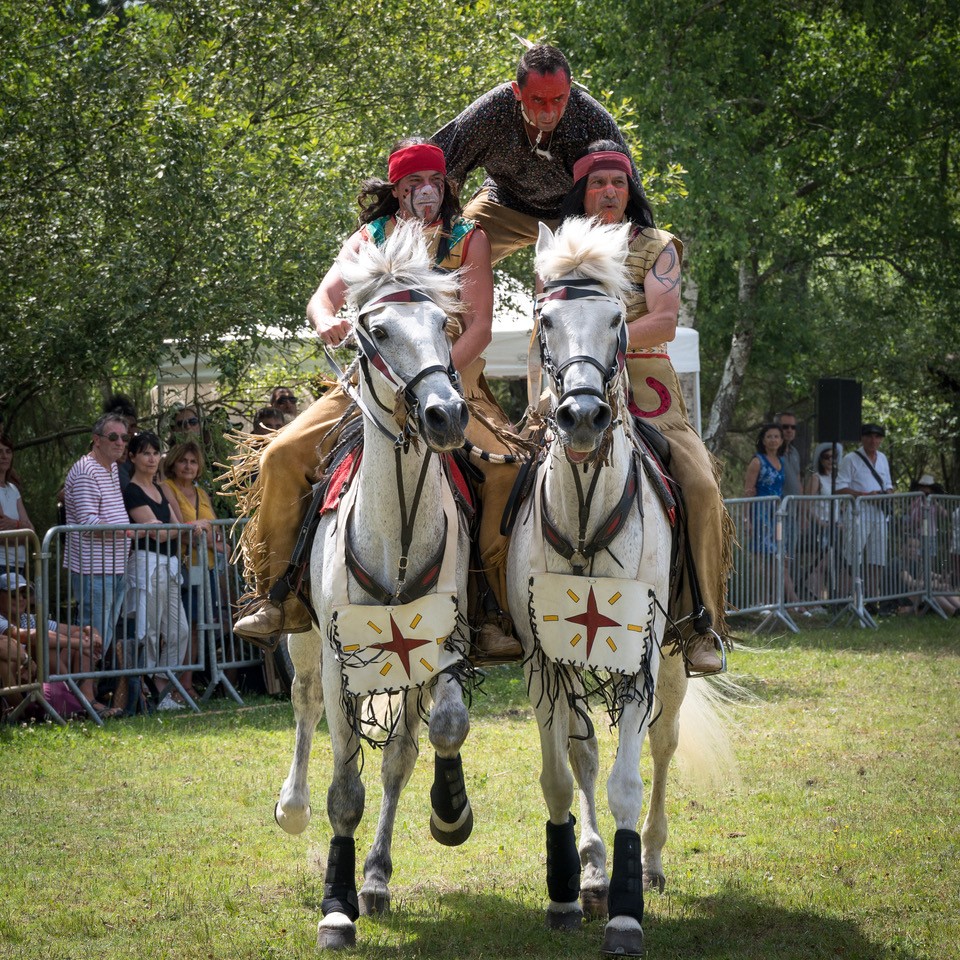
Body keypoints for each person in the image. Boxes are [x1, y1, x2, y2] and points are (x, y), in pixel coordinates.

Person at [233, 139, 520, 660]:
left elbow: (479, 325)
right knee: (280, 455)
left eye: (433, 182)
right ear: (396, 191)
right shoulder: (369, 237)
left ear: (447, 187)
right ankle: (279, 597)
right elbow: (322, 298)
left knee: (505, 471)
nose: (424, 193)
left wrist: (431, 376)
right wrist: (328, 322)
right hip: (372, 382)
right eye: (412, 185)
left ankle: (491, 610)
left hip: (454, 385)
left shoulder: (467, 239)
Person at [556, 141, 731, 674]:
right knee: (503, 475)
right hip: (571, 380)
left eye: (618, 182)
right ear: (582, 193)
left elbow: (664, 320)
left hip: (643, 378)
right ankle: (501, 611)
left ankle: (704, 623)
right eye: (597, 183)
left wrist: (603, 339)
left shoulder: (657, 246)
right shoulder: (559, 247)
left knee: (699, 484)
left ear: (630, 190)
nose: (609, 191)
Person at [433, 44, 637, 265]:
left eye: (558, 99)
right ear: (517, 91)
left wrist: (642, 245)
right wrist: (432, 225)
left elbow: (630, 184)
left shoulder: (590, 117)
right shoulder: (494, 110)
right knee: (450, 257)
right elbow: (438, 161)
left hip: (575, 215)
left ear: (569, 89)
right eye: (538, 100)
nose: (549, 112)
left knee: (625, 266)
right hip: (502, 204)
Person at [123, 432, 191, 711]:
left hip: (169, 566)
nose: (152, 458)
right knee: (148, 632)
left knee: (181, 631)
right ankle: (149, 691)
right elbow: (156, 532)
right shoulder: (131, 490)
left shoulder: (162, 489)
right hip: (146, 565)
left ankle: (163, 683)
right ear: (133, 457)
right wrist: (170, 531)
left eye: (155, 453)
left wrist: (171, 530)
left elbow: (176, 526)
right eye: (146, 453)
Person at [0, 571, 119, 718]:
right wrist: (80, 644)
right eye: (13, 594)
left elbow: (74, 630)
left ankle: (87, 698)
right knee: (46, 644)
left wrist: (91, 632)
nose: (21, 598)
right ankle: (77, 701)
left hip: (37, 677)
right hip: (20, 679)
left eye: (25, 594)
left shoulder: (29, 618)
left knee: (79, 635)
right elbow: (30, 635)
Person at [63, 414, 132, 660]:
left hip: (113, 566)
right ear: (96, 440)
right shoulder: (86, 471)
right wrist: (128, 529)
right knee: (91, 634)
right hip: (93, 570)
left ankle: (89, 690)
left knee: (104, 634)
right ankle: (84, 694)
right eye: (113, 436)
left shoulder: (112, 467)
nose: (120, 442)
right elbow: (88, 523)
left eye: (124, 437)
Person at [162, 439, 223, 701]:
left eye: (193, 461)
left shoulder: (202, 494)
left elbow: (216, 528)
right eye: (183, 460)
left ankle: (187, 684)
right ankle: (172, 684)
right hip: (183, 565)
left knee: (199, 625)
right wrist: (214, 542)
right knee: (182, 626)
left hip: (206, 566)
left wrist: (206, 534)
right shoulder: (167, 488)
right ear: (173, 463)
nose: (188, 466)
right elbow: (180, 530)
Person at [744, 423, 803, 612]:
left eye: (776, 436)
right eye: (769, 436)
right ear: (763, 440)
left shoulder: (782, 461)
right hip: (760, 514)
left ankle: (777, 600)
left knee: (777, 559)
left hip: (777, 515)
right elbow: (748, 491)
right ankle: (759, 601)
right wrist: (747, 518)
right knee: (762, 559)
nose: (773, 440)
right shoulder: (757, 461)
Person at [835, 423, 894, 608]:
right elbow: (839, 488)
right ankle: (843, 599)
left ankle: (870, 601)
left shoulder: (882, 458)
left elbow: (888, 484)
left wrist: (888, 493)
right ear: (862, 438)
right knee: (851, 557)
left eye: (877, 437)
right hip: (858, 514)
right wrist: (866, 496)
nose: (873, 440)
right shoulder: (850, 459)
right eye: (869, 436)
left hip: (880, 515)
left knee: (877, 559)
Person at [800, 442, 844, 606]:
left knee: (832, 564)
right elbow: (807, 504)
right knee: (819, 565)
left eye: (834, 457)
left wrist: (841, 520)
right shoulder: (816, 478)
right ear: (820, 459)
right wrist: (819, 522)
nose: (830, 460)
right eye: (827, 457)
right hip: (821, 528)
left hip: (836, 527)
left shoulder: (838, 478)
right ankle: (815, 601)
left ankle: (831, 601)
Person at [0, 433, 35, 576]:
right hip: (1, 563)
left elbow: (31, 532)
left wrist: (15, 526)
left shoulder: (12, 489)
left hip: (18, 564)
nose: (4, 456)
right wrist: (22, 527)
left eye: (8, 451)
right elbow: (2, 535)